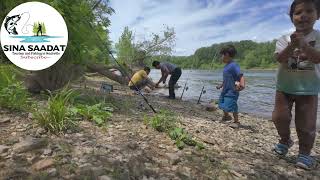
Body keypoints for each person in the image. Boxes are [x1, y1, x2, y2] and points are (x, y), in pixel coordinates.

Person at [272, 0, 320, 170]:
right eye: (298, 12)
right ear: (292, 17)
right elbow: (280, 59)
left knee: (306, 124)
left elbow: (317, 58)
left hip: (309, 88)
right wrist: (292, 44)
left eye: (309, 11)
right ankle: (285, 140)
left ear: (318, 15)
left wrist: (304, 45)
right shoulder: (284, 39)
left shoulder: (318, 37)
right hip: (284, 87)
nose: (303, 16)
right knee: (279, 117)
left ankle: (305, 153)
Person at [216, 45, 244, 128]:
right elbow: (226, 79)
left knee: (232, 104)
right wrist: (221, 85)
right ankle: (226, 116)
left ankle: (236, 121)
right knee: (221, 103)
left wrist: (242, 84)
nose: (221, 57)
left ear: (227, 54)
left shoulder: (234, 65)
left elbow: (241, 75)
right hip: (225, 90)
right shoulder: (226, 67)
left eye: (222, 55)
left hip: (232, 91)